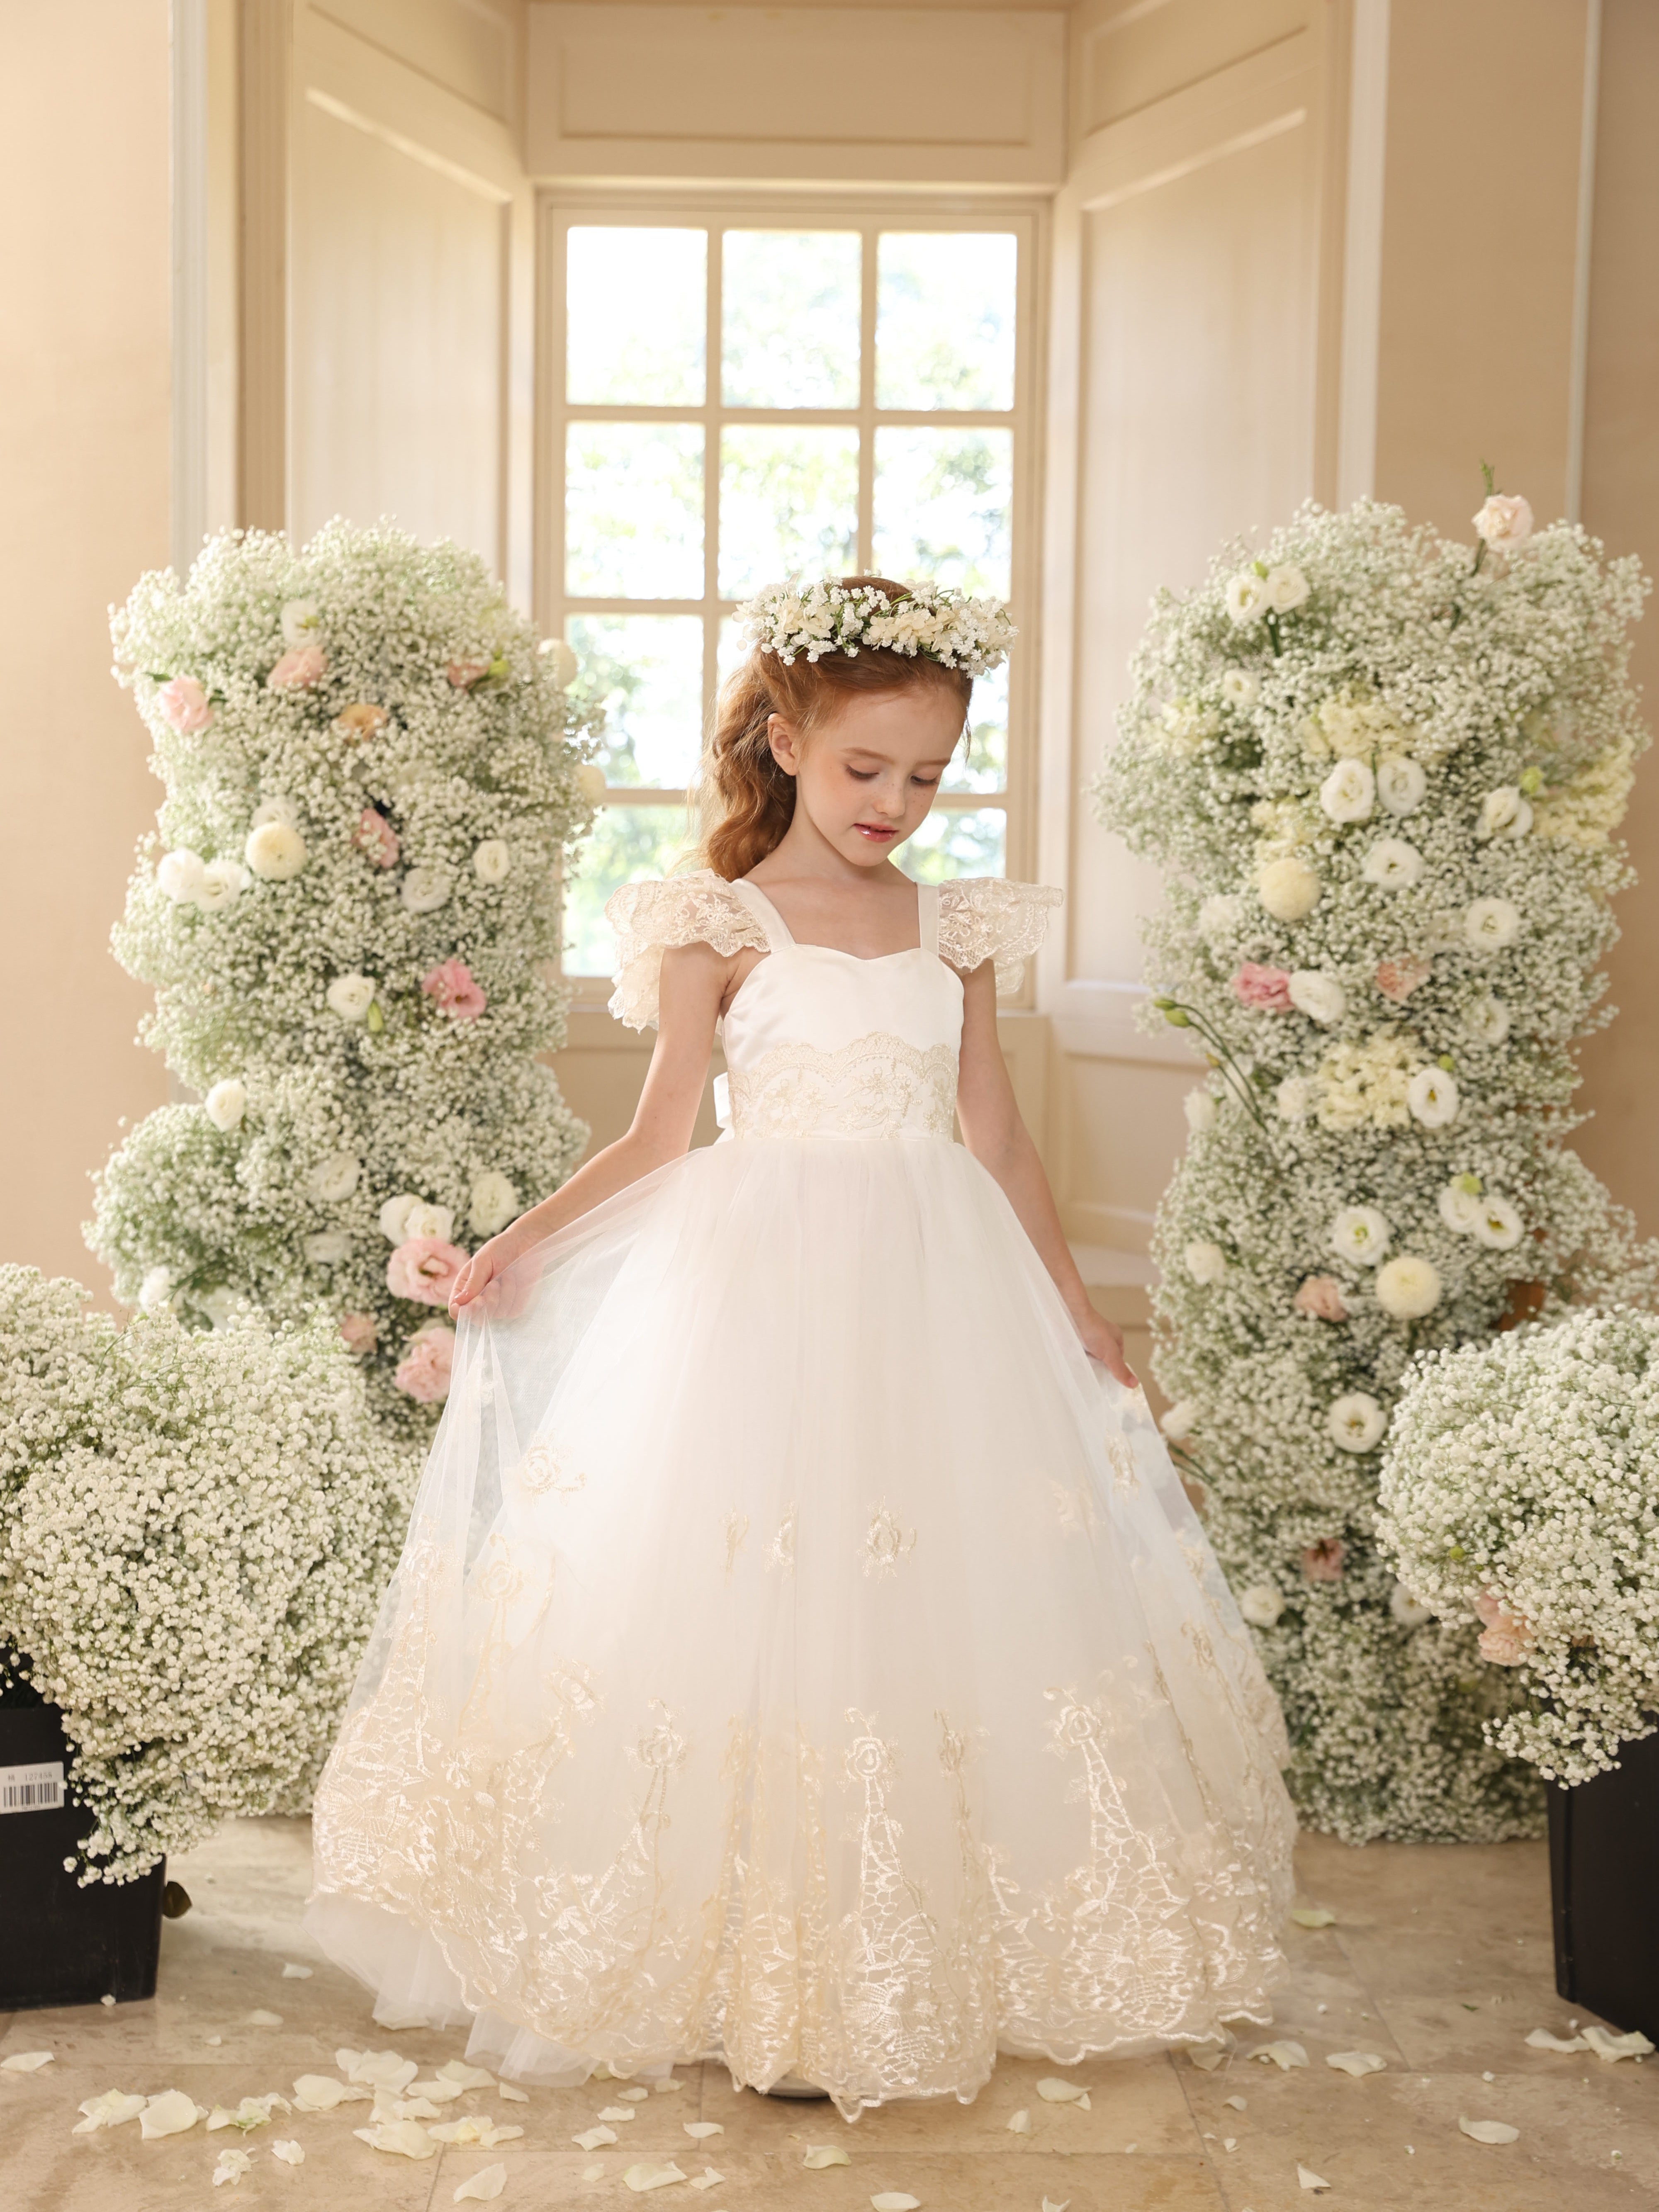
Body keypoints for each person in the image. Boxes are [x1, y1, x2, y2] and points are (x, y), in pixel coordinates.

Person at [305, 576, 1294, 2120]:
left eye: (928, 775)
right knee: (745, 1598)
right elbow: (652, 1135)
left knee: (937, 1605)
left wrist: (1083, 1312)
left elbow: (1002, 1136)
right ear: (783, 740)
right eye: (864, 770)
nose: (897, 805)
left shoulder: (954, 925)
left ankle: (907, 1960)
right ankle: (739, 1964)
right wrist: (510, 1252)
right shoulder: (717, 919)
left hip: (935, 1295)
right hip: (756, 1295)